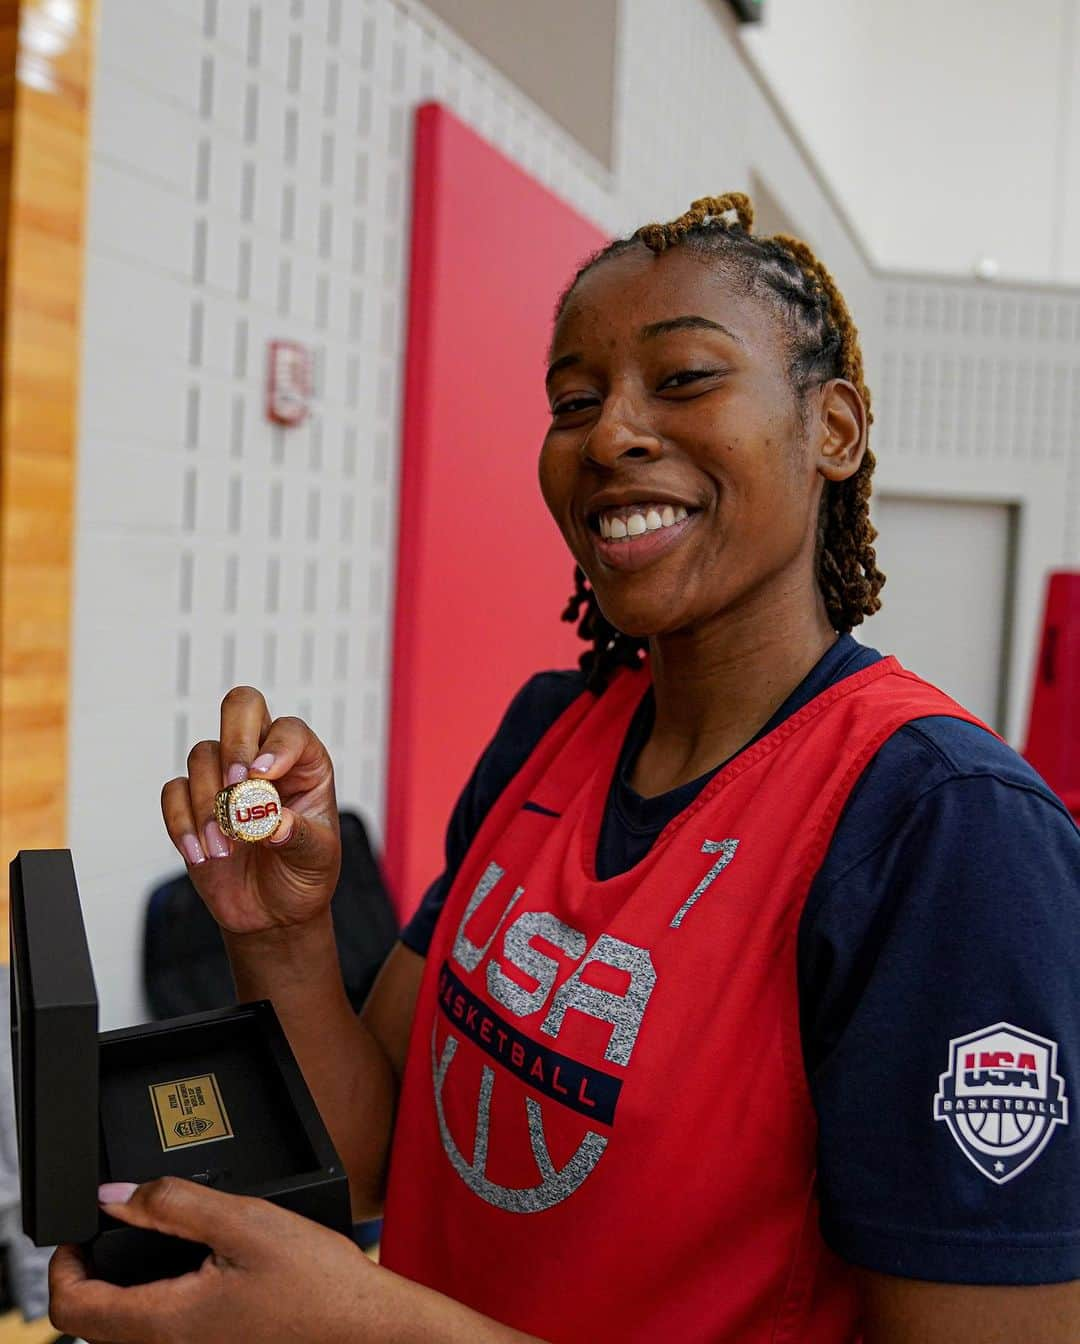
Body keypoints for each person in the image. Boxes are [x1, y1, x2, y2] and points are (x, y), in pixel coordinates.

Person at [50, 193, 1080, 1343]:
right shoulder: (554, 729)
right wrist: (282, 936)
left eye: (684, 378)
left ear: (832, 428)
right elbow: (375, 1156)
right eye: (574, 401)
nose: (609, 435)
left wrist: (371, 1330)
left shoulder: (943, 829)